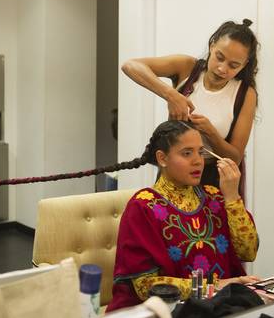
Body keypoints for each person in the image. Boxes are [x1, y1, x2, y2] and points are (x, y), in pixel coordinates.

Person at [105, 120, 259, 312]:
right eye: (187, 153)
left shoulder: (214, 196)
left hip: (218, 307)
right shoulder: (143, 205)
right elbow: (146, 286)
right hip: (164, 311)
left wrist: (232, 196)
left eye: (200, 152)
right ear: (162, 158)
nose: (198, 161)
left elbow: (248, 252)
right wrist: (217, 285)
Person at [121, 19, 260, 188]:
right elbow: (131, 66)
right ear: (212, 45)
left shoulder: (245, 94)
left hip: (214, 181)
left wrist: (211, 133)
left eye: (233, 65)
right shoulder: (187, 68)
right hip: (175, 172)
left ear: (244, 65)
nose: (222, 69)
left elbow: (235, 158)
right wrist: (171, 95)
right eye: (219, 57)